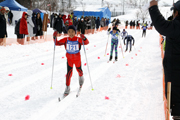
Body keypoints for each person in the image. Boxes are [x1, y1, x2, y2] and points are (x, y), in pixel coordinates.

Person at [149, 0, 180, 119]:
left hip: (176, 80)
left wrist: (153, 6)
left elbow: (161, 24)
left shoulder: (177, 26)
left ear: (177, 13)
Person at [53, 25, 89, 96]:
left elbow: (86, 42)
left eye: (72, 32)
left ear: (75, 32)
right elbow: (57, 43)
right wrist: (54, 37)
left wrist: (84, 38)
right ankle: (67, 87)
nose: (71, 33)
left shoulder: (78, 39)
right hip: (69, 59)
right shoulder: (66, 39)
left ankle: (81, 78)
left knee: (79, 70)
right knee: (69, 73)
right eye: (69, 32)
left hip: (77, 59)